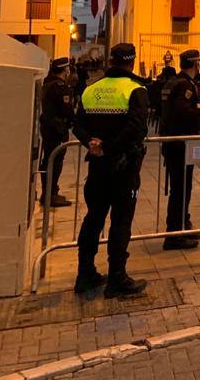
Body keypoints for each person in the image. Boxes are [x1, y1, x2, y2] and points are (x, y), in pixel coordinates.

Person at [72, 43, 148, 297]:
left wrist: (93, 145)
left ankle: (85, 273)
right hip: (123, 167)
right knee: (120, 222)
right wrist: (111, 147)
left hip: (97, 166)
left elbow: (77, 125)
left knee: (93, 218)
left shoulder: (91, 89)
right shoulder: (135, 89)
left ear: (110, 61)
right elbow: (137, 129)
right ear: (132, 62)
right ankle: (117, 277)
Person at [160, 49, 200, 250]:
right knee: (180, 189)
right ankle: (174, 234)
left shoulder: (172, 81)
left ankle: (182, 225)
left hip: (174, 143)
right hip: (180, 144)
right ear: (195, 65)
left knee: (182, 187)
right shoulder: (184, 85)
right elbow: (183, 112)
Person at [39, 57, 75, 207]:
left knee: (48, 159)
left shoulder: (47, 84)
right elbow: (66, 110)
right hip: (57, 129)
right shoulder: (60, 87)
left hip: (48, 127)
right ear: (65, 70)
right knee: (55, 160)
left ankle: (48, 192)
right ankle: (50, 194)